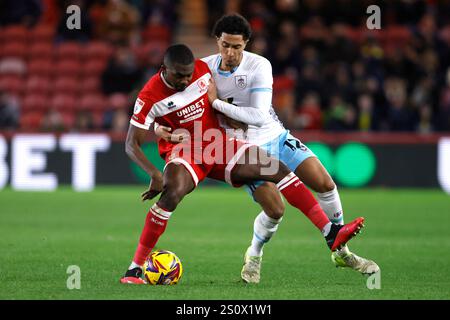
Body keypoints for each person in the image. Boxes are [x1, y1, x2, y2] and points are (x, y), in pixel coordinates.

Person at [156, 14, 379, 284]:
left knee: (325, 183)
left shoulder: (259, 65)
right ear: (217, 41)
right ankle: (254, 254)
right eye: (225, 45)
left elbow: (259, 116)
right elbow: (169, 93)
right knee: (276, 210)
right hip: (244, 147)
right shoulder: (203, 68)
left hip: (274, 135)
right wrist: (157, 127)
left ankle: (341, 251)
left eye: (236, 47)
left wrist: (215, 103)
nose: (230, 53)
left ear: (246, 44)